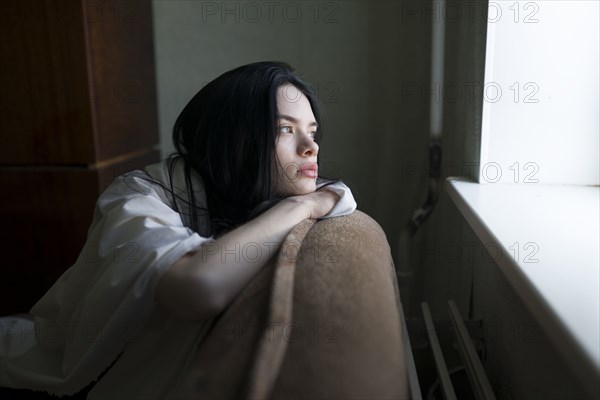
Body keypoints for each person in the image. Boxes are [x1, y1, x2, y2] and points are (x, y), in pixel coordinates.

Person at [0, 61, 356, 399]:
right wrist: (302, 206)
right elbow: (198, 287)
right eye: (285, 129)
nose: (312, 148)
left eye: (312, 131)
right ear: (232, 138)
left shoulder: (270, 193)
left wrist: (304, 201)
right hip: (30, 374)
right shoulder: (136, 195)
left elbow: (340, 196)